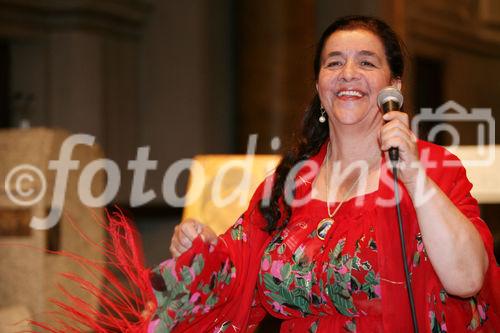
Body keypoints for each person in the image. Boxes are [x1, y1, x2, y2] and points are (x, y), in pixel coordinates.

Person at [29, 15, 498, 333]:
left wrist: (413, 176)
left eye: (367, 62)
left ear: (393, 85)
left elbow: (466, 280)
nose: (348, 73)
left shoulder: (433, 169)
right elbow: (238, 267)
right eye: (334, 62)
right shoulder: (287, 184)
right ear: (319, 85)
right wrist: (205, 247)